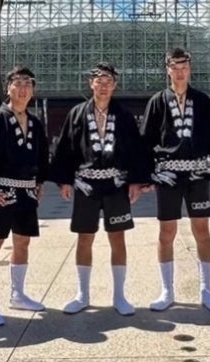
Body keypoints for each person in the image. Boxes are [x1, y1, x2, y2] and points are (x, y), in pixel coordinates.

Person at [51, 62, 150, 315]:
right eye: (99, 81)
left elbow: (136, 149)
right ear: (91, 84)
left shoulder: (124, 115)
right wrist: (64, 180)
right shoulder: (77, 113)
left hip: (116, 184)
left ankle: (119, 296)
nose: (103, 86)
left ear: (115, 85)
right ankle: (82, 294)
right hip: (86, 184)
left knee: (118, 237)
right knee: (85, 238)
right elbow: (66, 147)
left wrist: (136, 181)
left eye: (108, 82)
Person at [141, 47, 210, 312]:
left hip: (198, 173)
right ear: (167, 70)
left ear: (190, 69)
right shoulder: (157, 101)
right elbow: (146, 140)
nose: (180, 73)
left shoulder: (202, 101)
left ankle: (206, 290)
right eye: (175, 68)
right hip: (167, 174)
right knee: (167, 231)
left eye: (184, 68)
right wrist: (144, 176)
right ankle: (167, 290)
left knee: (202, 229)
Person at [0, 65, 51, 326]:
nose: (23, 89)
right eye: (18, 83)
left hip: (27, 192)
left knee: (23, 242)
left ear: (33, 90)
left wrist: (40, 182)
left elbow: (42, 156)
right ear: (8, 88)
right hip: (2, 191)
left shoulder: (35, 123)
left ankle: (18, 294)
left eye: (28, 83)